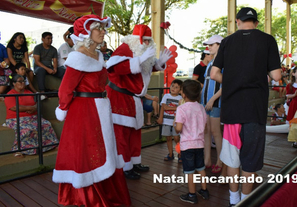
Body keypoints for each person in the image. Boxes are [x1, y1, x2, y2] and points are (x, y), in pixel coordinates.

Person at [53, 14, 131, 206]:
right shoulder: (78, 56)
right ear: (87, 32)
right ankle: (87, 195)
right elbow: (65, 89)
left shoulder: (97, 55)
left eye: (104, 28)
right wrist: (63, 108)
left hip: (99, 109)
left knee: (101, 149)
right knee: (89, 152)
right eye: (99, 28)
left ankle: (104, 190)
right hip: (84, 111)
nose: (103, 31)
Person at [210, 7, 281, 206]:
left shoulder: (227, 41)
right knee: (250, 159)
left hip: (231, 109)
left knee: (232, 158)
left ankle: (233, 200)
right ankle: (246, 201)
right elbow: (276, 76)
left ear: (238, 21)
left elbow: (214, 74)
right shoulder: (267, 40)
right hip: (255, 108)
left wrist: (231, 82)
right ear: (256, 23)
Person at [106, 24, 172, 180]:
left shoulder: (140, 50)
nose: (148, 44)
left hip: (134, 98)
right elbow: (116, 68)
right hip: (119, 98)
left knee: (135, 133)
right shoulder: (124, 49)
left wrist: (158, 64)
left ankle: (135, 162)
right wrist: (140, 59)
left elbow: (144, 68)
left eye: (150, 41)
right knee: (122, 134)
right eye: (145, 40)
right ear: (137, 40)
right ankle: (124, 166)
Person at [4, 73, 58, 157]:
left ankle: (50, 145)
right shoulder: (10, 94)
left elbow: (37, 103)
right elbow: (14, 107)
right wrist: (29, 108)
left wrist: (35, 107)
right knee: (26, 129)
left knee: (46, 124)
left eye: (23, 81)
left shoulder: (28, 92)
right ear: (14, 83)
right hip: (17, 119)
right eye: (19, 81)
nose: (22, 83)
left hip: (33, 117)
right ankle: (20, 150)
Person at [175, 79, 209, 204]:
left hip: (187, 145)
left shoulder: (181, 109)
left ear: (183, 94)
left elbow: (178, 128)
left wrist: (175, 126)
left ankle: (192, 195)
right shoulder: (201, 108)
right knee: (201, 168)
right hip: (200, 144)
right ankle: (204, 191)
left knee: (190, 172)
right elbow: (204, 127)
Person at [201, 34, 224, 174]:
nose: (209, 47)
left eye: (212, 44)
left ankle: (220, 160)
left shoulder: (224, 62)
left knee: (216, 132)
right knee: (207, 131)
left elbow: (226, 84)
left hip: (215, 103)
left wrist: (212, 99)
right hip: (206, 102)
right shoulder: (210, 63)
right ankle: (207, 159)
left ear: (220, 46)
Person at [156, 79, 183, 161]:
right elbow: (163, 107)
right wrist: (160, 118)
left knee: (176, 138)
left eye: (176, 87)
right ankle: (170, 154)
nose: (173, 88)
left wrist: (170, 108)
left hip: (176, 122)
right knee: (168, 138)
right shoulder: (166, 96)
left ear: (180, 90)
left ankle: (180, 154)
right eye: (172, 86)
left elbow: (180, 109)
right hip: (166, 121)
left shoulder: (180, 98)